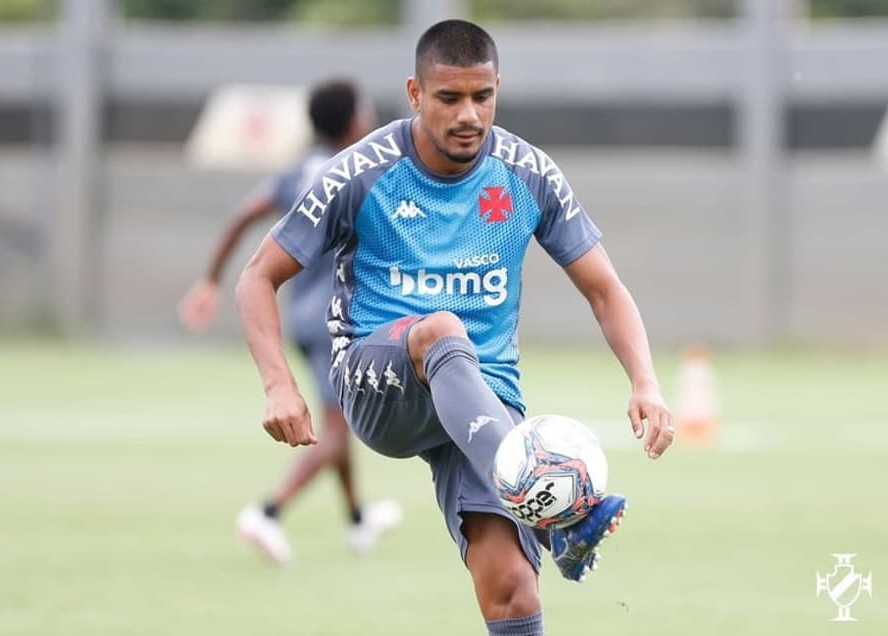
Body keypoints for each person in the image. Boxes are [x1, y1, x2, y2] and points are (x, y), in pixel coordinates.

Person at [235, 20, 673, 635]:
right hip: (378, 378)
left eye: (482, 97)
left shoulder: (528, 174)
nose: (469, 114)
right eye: (449, 98)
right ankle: (561, 515)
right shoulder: (359, 172)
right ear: (415, 94)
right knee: (441, 329)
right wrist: (279, 384)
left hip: (482, 407)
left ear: (498, 88)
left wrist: (645, 382)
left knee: (514, 593)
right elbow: (256, 277)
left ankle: (544, 514)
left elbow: (605, 289)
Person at [179, 79, 402, 564]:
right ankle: (268, 512)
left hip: (299, 315)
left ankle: (357, 518)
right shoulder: (363, 171)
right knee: (338, 429)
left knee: (335, 417)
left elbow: (242, 217)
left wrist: (210, 280)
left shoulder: (299, 171)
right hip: (336, 320)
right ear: (354, 122)